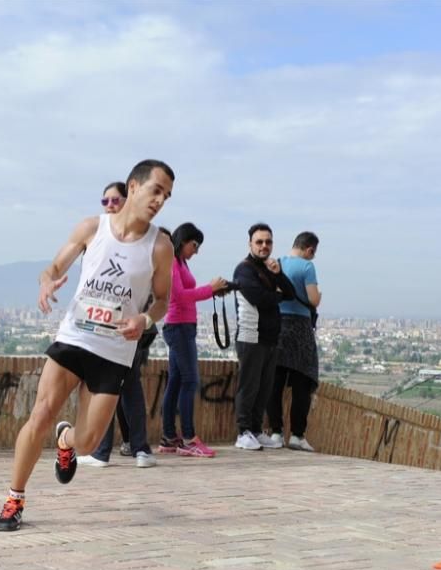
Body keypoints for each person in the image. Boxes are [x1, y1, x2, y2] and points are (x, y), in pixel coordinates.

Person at [0, 160, 175, 532]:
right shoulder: (93, 227)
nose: (160, 200)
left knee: (90, 444)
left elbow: (162, 300)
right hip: (75, 337)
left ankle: (66, 439)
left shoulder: (160, 246)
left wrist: (145, 320)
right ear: (134, 186)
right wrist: (46, 282)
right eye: (156, 190)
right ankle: (15, 497)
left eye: (167, 196)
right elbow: (54, 267)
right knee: (40, 413)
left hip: (114, 352)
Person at [78, 184, 159, 469]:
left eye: (115, 200)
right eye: (105, 200)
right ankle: (138, 448)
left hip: (125, 326)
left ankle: (104, 450)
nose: (109, 205)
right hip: (104, 324)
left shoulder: (142, 241)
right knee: (127, 386)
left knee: (112, 385)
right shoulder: (103, 234)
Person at [160, 223, 228, 457]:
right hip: (178, 327)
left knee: (177, 382)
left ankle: (169, 436)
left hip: (182, 327)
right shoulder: (171, 262)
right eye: (194, 245)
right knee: (190, 381)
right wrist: (210, 289)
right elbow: (179, 295)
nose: (196, 251)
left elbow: (186, 293)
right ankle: (188, 438)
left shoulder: (180, 263)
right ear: (184, 241)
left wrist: (213, 290)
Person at [232, 224, 295, 451]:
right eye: (259, 242)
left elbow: (291, 294)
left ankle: (256, 430)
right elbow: (259, 298)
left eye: (268, 242)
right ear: (250, 244)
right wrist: (275, 295)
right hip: (251, 336)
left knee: (264, 388)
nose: (264, 246)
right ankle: (243, 432)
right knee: (248, 387)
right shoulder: (244, 270)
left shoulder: (270, 269)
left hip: (269, 338)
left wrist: (278, 275)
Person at [266, 232, 321, 452]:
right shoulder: (307, 267)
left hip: (278, 326)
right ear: (310, 249)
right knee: (302, 382)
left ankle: (276, 433)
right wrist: (319, 297)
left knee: (275, 383)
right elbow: (313, 299)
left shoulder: (276, 263)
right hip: (299, 328)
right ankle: (297, 435)